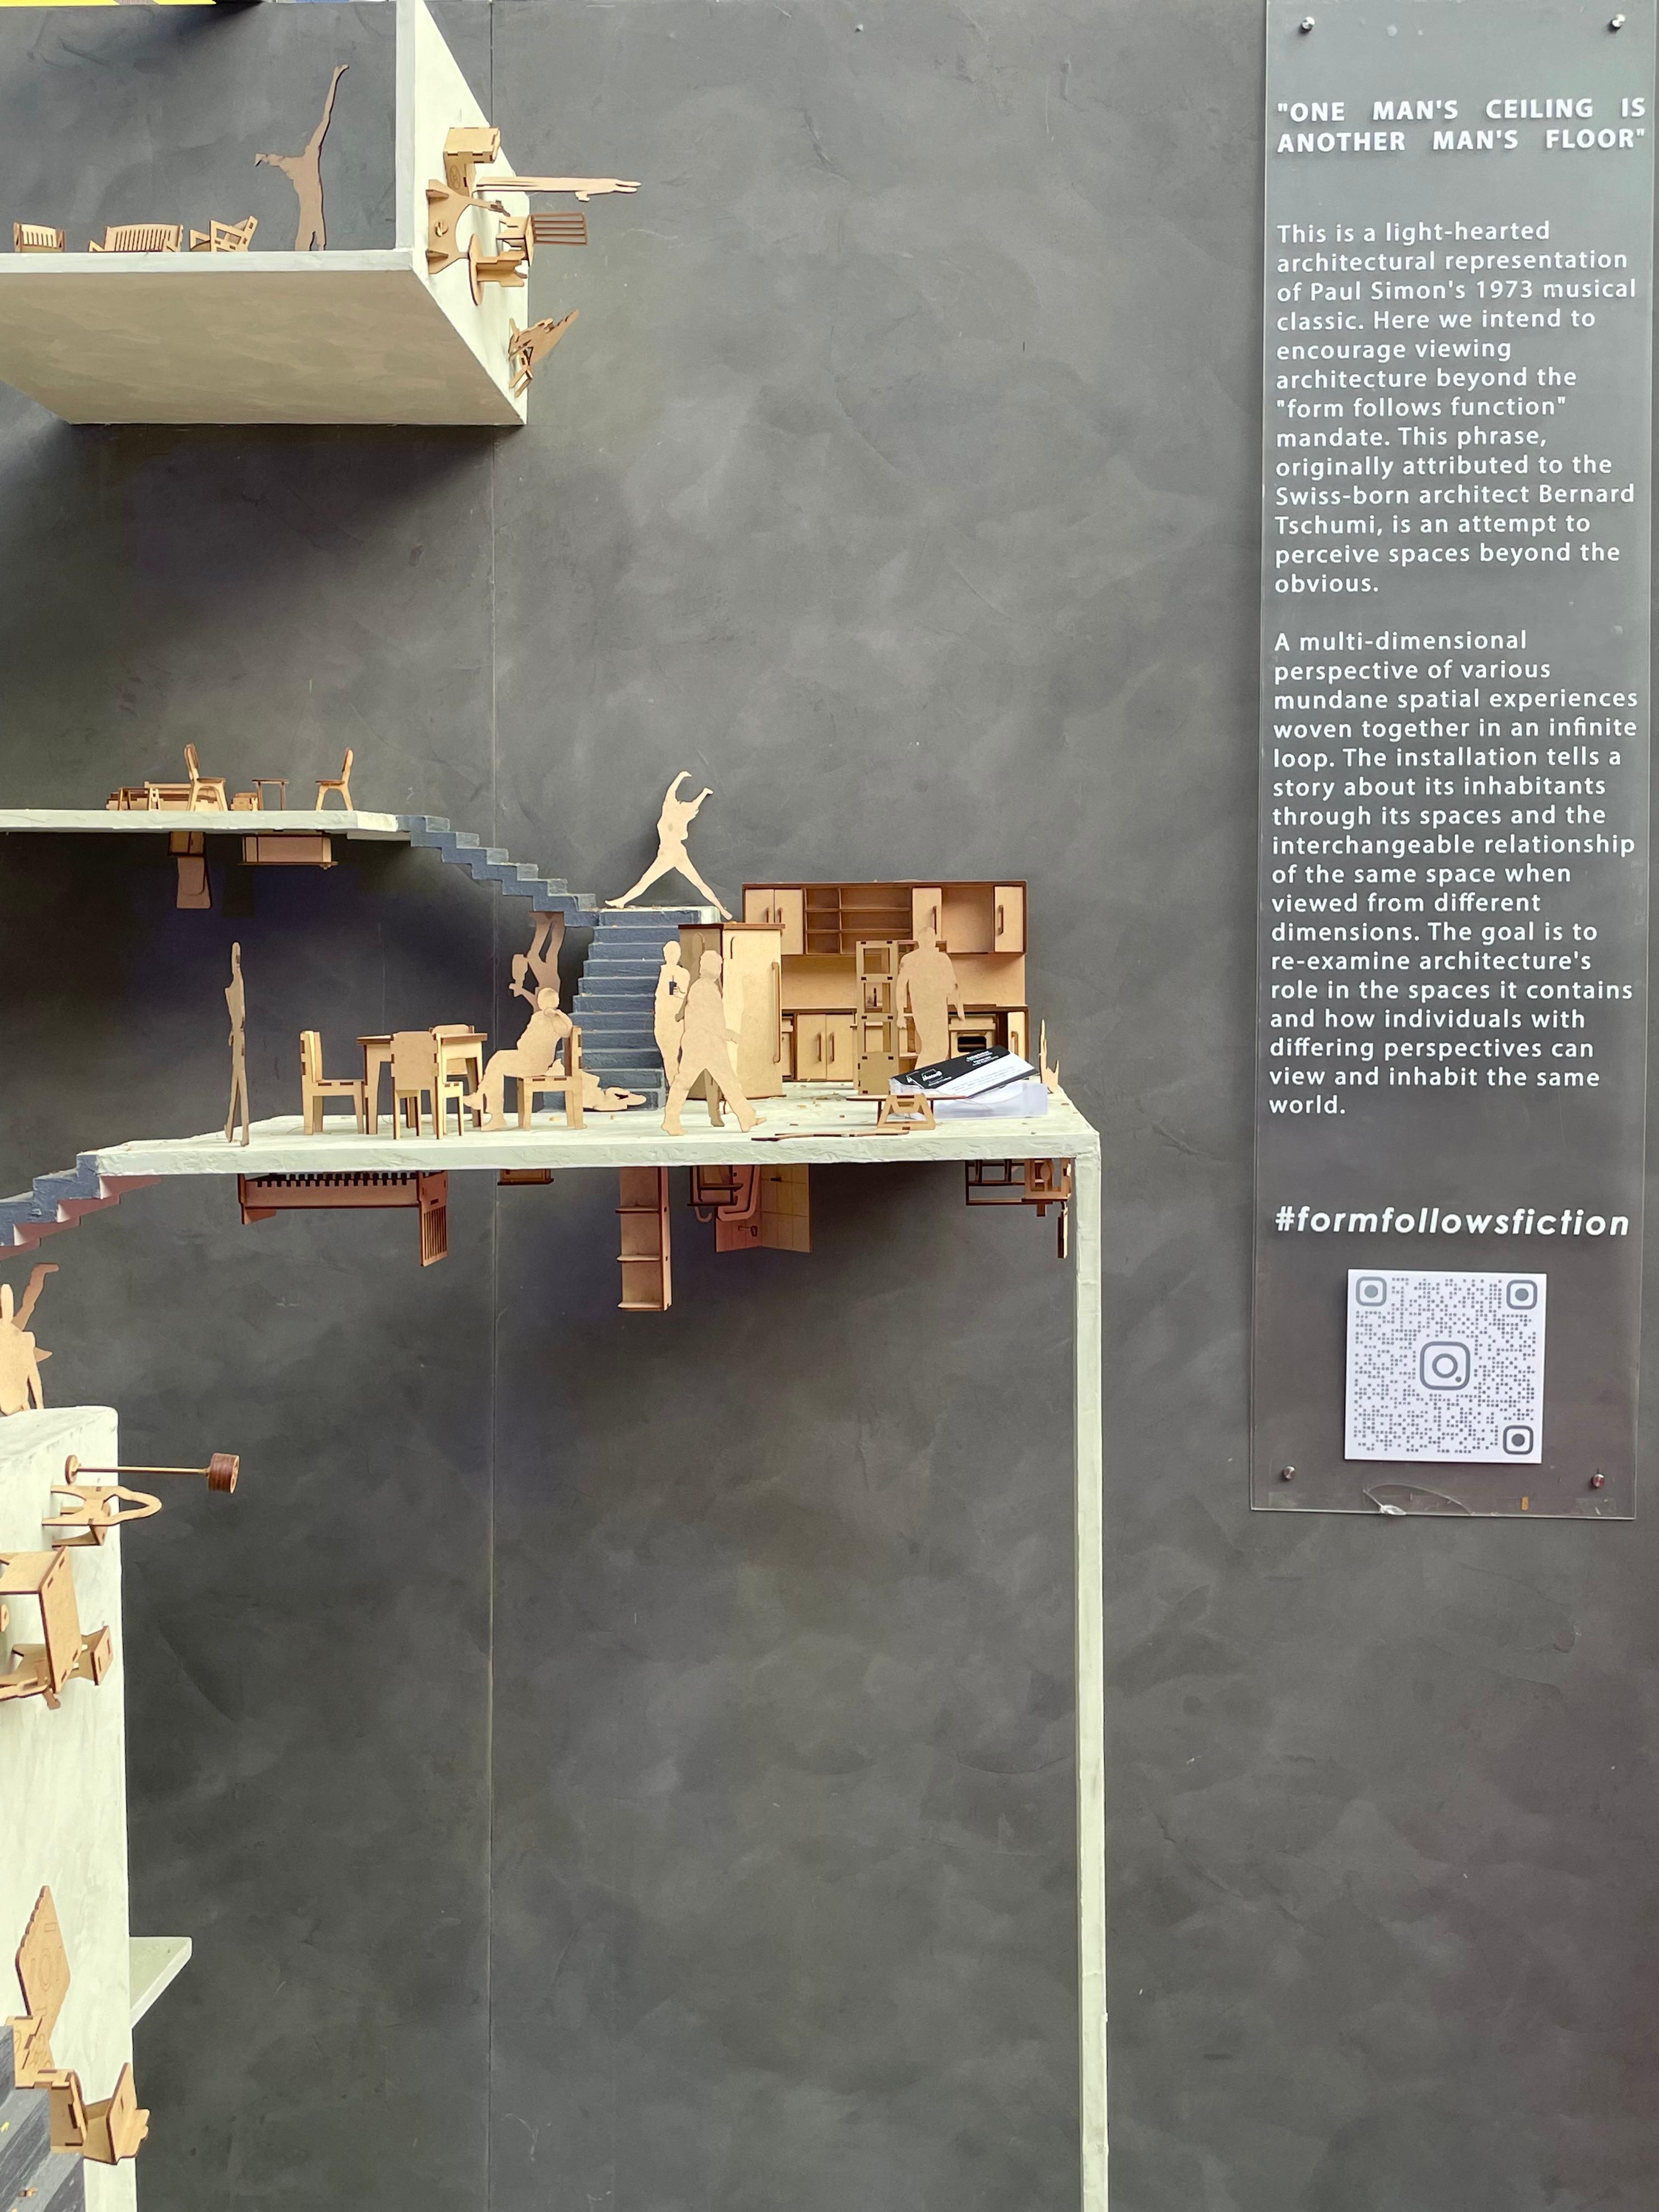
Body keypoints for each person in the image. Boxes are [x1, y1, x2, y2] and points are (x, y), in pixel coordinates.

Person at [607, 772, 732, 918]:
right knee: (699, 883)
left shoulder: (671, 816)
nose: (682, 803)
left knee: (645, 882)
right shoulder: (679, 817)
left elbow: (672, 796)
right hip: (677, 853)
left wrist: (684, 780)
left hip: (668, 855)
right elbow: (676, 797)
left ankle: (622, 901)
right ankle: (722, 910)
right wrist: (700, 791)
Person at [663, 952, 759, 1136]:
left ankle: (747, 1117)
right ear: (709, 967)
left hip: (709, 1044)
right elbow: (711, 1022)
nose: (719, 969)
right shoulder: (705, 989)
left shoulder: (705, 987)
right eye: (717, 965)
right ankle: (670, 1120)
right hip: (702, 1044)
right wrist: (731, 1035)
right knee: (685, 1083)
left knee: (728, 1082)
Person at [896, 935, 964, 1068]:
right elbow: (900, 987)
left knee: (941, 1050)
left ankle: (930, 1077)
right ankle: (922, 1077)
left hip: (938, 1008)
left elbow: (953, 985)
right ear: (921, 942)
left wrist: (960, 1010)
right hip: (923, 1009)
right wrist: (900, 1014)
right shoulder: (910, 959)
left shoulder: (942, 959)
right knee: (933, 1049)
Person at [0, 1262, 57, 1417]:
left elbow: (32, 1373)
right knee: (28, 1308)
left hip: (17, 1405)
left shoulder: (19, 1335)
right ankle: (39, 1273)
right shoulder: (18, 1334)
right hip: (14, 1405)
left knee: (28, 1308)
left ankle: (39, 1273)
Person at [224, 943, 250, 1146]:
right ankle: (232, 1127)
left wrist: (236, 1030)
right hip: (238, 1038)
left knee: (239, 1080)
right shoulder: (234, 984)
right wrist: (234, 1031)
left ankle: (242, 1129)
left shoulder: (237, 983)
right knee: (236, 1081)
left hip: (240, 1040)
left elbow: (240, 1015)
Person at [653, 941, 689, 1083]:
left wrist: (680, 994)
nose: (671, 956)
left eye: (674, 953)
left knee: (675, 1054)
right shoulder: (663, 971)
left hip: (676, 1019)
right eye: (669, 953)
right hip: (663, 1019)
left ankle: (678, 1085)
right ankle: (674, 1084)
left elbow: (688, 996)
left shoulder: (683, 973)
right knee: (668, 1055)